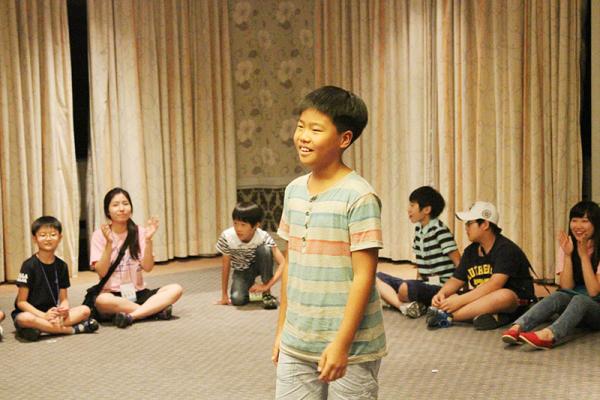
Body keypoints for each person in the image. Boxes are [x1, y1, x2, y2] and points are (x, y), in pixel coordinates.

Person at [273, 86, 386, 399]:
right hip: (297, 341)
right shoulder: (294, 191)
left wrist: (341, 344)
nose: (303, 137)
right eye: (301, 126)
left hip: (352, 345)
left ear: (344, 139)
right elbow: (291, 264)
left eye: (316, 129)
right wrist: (282, 331)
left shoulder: (359, 196)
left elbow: (364, 276)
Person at [501, 201, 600, 349]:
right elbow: (566, 287)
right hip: (574, 308)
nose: (578, 226)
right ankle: (518, 327)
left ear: (596, 224)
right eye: (574, 220)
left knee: (581, 300)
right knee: (558, 295)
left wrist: (584, 256)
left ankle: (549, 335)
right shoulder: (568, 244)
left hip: (596, 309)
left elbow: (594, 292)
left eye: (585, 221)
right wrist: (568, 255)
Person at [427, 201, 535, 330]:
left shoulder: (506, 249)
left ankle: (449, 316)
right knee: (452, 295)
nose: (466, 228)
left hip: (514, 302)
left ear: (484, 224)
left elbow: (494, 285)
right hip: (483, 299)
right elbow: (456, 279)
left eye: (469, 223)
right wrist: (441, 294)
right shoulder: (470, 251)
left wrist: (459, 301)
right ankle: (491, 317)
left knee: (504, 295)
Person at [90, 187, 183, 328]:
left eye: (125, 203)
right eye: (115, 205)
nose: (122, 208)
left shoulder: (140, 232)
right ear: (107, 211)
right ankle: (153, 311)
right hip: (113, 294)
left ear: (131, 208)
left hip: (138, 292)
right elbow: (102, 272)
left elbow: (148, 267)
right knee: (102, 301)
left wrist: (148, 240)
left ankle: (132, 315)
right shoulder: (99, 235)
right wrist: (109, 243)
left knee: (176, 289)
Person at [376, 186, 460, 318]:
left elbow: (459, 262)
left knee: (405, 289)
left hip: (441, 288)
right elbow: (420, 266)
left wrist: (456, 290)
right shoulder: (418, 231)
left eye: (412, 205)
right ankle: (405, 306)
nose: (408, 209)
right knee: (376, 277)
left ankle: (403, 303)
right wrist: (416, 284)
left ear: (426, 209)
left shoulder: (440, 230)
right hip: (426, 284)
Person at [12, 216, 98, 342]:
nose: (48, 238)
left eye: (53, 234)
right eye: (43, 235)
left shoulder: (62, 266)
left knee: (85, 310)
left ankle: (40, 329)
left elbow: (64, 299)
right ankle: (72, 329)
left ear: (60, 238)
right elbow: (21, 302)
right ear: (35, 238)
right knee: (24, 319)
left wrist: (64, 309)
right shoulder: (28, 265)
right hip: (32, 313)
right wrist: (43, 316)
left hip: (53, 314)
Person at [214, 201, 285, 309]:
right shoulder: (227, 237)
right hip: (241, 271)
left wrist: (267, 286)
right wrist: (224, 295)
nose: (238, 229)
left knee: (265, 249)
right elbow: (226, 266)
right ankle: (251, 287)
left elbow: (283, 263)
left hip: (259, 265)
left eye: (243, 225)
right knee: (237, 300)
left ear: (256, 225)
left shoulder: (263, 236)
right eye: (235, 223)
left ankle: (266, 293)